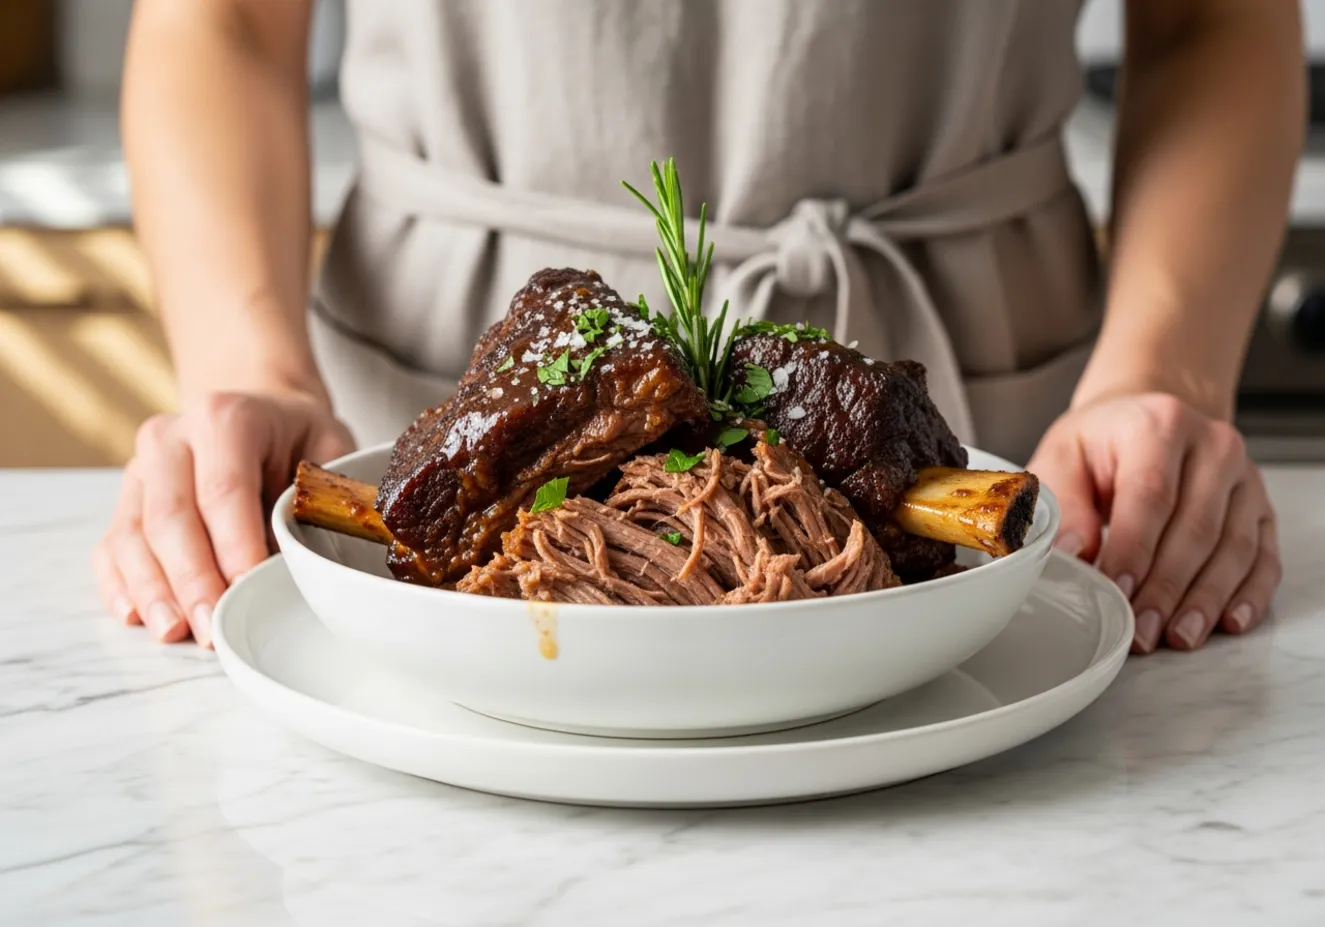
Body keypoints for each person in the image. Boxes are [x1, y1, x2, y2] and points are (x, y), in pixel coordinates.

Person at [95, 0, 1300, 655]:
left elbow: (1208, 20)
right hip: (439, 372)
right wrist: (247, 365)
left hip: (1004, 401)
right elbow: (226, 23)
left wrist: (1165, 370)